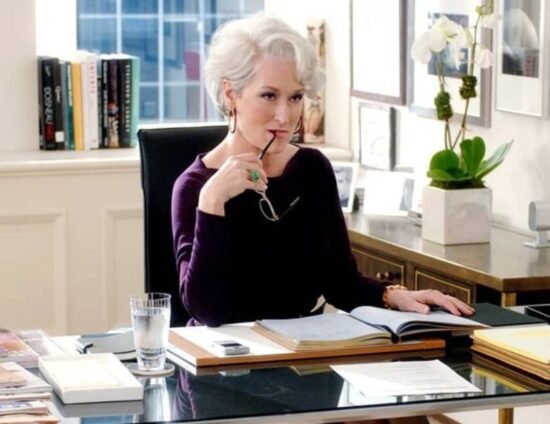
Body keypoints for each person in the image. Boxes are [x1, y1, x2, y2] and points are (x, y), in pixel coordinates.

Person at [171, 13, 474, 329]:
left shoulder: (312, 169)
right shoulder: (196, 187)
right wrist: (212, 202)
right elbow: (208, 312)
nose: (284, 115)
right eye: (269, 95)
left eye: (295, 97)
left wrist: (395, 295)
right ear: (230, 94)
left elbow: (340, 282)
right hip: (225, 355)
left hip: (303, 350)